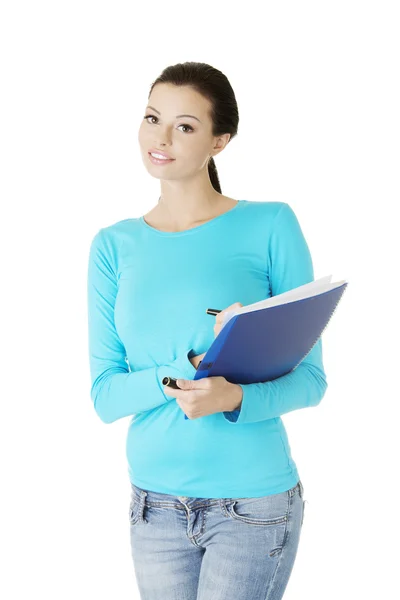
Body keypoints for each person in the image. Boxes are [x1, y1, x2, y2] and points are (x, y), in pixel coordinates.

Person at [87, 61, 328, 600]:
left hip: (252, 508)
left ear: (221, 140)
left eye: (186, 126)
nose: (161, 138)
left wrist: (233, 395)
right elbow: (104, 396)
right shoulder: (112, 246)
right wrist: (182, 375)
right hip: (154, 508)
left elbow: (311, 380)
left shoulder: (270, 224)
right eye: (153, 118)